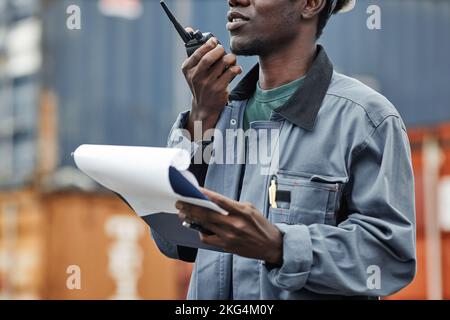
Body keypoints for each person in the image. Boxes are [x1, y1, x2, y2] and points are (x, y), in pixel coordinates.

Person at [151, 0, 416, 300]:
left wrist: (279, 246)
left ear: (311, 4)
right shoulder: (214, 114)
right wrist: (201, 116)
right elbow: (173, 242)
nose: (234, 0)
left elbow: (389, 257)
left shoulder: (365, 119)